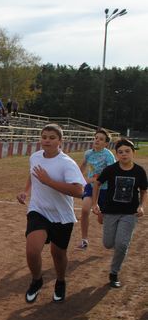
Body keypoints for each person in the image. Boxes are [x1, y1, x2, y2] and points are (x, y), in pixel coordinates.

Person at [16, 123, 86, 304]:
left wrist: (49, 182)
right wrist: (26, 191)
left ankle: (61, 281)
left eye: (52, 137)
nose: (47, 140)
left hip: (62, 216)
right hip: (38, 210)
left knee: (58, 254)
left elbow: (79, 191)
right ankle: (37, 280)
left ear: (60, 141)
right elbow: (33, 174)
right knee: (32, 250)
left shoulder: (67, 163)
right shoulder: (35, 157)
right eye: (44, 137)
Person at [92, 139, 147, 288]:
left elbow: (143, 190)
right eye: (120, 152)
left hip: (129, 214)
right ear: (116, 155)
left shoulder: (139, 171)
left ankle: (114, 273)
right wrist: (94, 203)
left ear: (133, 153)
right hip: (110, 212)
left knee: (122, 244)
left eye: (127, 151)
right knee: (108, 243)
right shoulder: (110, 170)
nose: (124, 154)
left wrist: (141, 206)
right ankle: (115, 248)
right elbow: (97, 183)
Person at [76, 129, 116, 250]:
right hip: (91, 187)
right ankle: (84, 240)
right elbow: (83, 165)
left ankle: (101, 214)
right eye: (96, 138)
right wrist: (77, 177)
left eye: (101, 139)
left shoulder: (108, 155)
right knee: (84, 210)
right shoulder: (88, 153)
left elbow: (111, 171)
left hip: (105, 189)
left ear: (106, 143)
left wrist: (99, 178)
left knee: (101, 220)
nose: (97, 140)